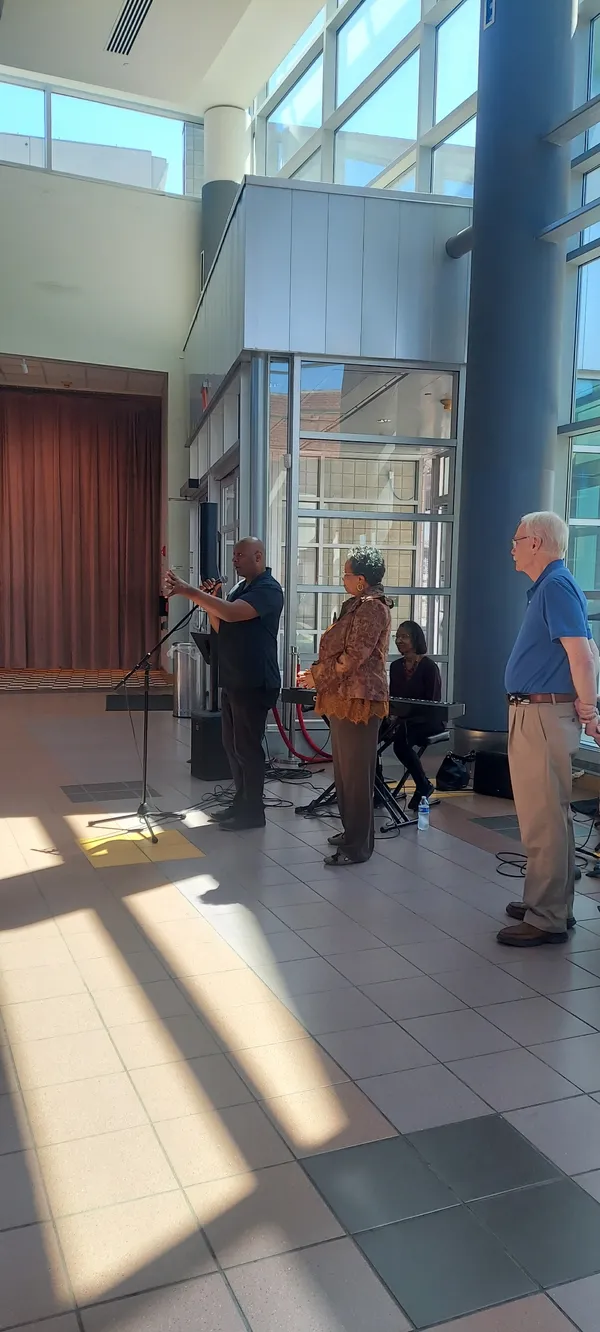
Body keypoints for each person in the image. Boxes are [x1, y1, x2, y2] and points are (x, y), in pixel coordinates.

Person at [499, 511, 599, 947]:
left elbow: (583, 655)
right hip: (537, 713)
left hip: (543, 716)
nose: (513, 547)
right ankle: (549, 900)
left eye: (517, 539)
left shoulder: (556, 586)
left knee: (545, 818)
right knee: (545, 814)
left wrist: (591, 710)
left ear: (536, 542)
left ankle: (547, 916)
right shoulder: (550, 587)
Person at [165, 538, 283, 830]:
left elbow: (231, 613)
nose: (235, 560)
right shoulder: (240, 589)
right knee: (232, 747)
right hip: (235, 678)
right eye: (234, 556)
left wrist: (189, 592)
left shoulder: (268, 589)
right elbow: (222, 625)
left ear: (258, 556)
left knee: (248, 747)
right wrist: (211, 601)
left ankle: (254, 812)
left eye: (240, 555)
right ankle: (240, 803)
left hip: (255, 680)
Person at [299, 546, 391, 866]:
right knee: (345, 774)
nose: (343, 578)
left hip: (359, 700)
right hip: (344, 697)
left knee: (356, 778)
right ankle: (353, 832)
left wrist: (316, 676)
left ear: (362, 580)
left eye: (347, 574)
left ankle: (357, 846)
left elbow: (354, 657)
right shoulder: (357, 605)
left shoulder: (372, 608)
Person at [389, 621, 445, 811]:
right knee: (372, 735)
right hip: (403, 720)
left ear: (415, 639)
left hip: (427, 721)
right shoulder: (396, 666)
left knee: (401, 743)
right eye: (397, 637)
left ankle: (423, 785)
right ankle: (378, 788)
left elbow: (433, 703)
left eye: (404, 636)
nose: (399, 640)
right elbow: (393, 697)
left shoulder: (429, 667)